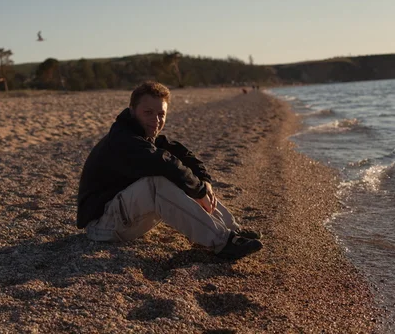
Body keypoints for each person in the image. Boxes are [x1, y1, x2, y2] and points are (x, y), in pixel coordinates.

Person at [76, 81, 263, 260]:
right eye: (148, 112)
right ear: (132, 111)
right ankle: (223, 242)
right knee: (159, 182)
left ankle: (231, 230)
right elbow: (166, 163)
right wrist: (197, 190)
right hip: (102, 226)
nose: (156, 120)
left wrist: (204, 181)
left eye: (161, 114)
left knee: (180, 175)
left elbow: (182, 154)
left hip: (122, 217)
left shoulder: (143, 134)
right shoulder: (124, 140)